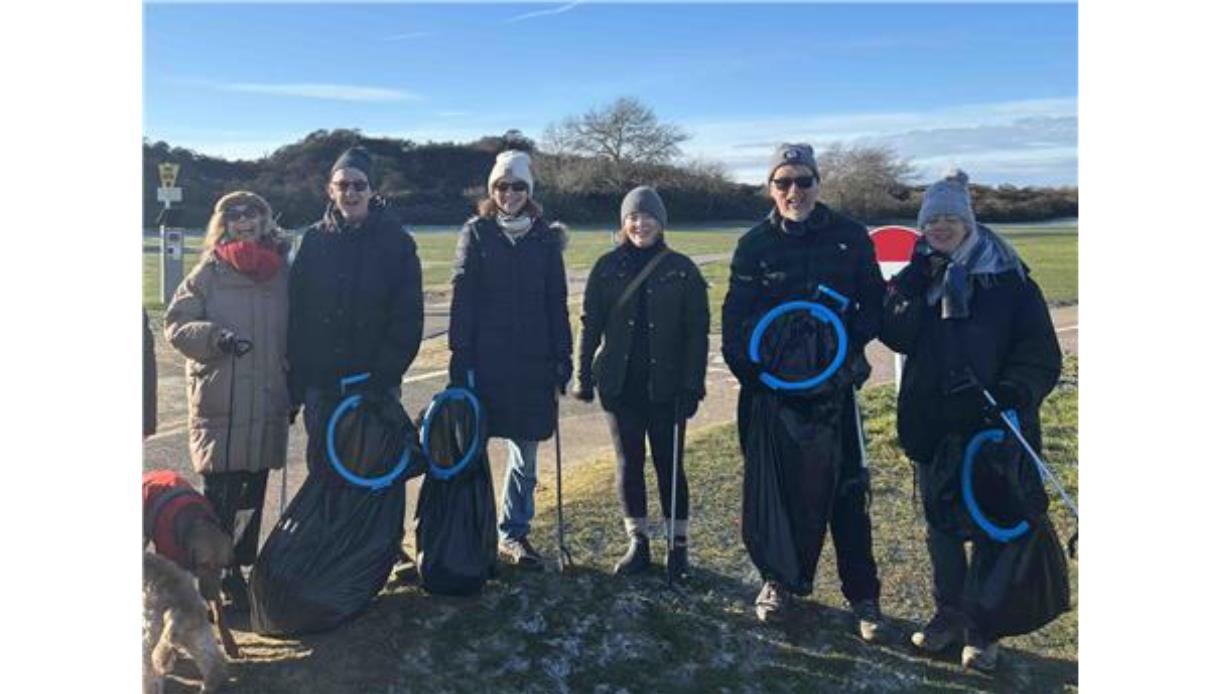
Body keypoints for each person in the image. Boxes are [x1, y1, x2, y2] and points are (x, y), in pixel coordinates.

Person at [879, 170, 1062, 672]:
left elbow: (1040, 354)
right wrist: (910, 286)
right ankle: (949, 612)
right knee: (940, 527)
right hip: (933, 422)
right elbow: (894, 335)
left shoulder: (1009, 277)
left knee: (989, 526)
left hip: (992, 424)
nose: (940, 227)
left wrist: (1011, 393)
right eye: (931, 219)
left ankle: (984, 628)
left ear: (968, 222)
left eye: (950, 218)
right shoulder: (920, 274)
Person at [721, 143, 886, 640]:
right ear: (771, 188)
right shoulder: (754, 244)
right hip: (774, 394)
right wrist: (755, 374)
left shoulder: (850, 237)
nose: (794, 191)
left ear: (818, 183)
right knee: (777, 491)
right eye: (783, 182)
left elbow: (872, 304)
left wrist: (843, 353)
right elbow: (734, 318)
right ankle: (779, 582)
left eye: (803, 181)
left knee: (846, 494)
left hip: (834, 392)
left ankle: (864, 598)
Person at [163, 191, 292, 610]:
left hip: (267, 395)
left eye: (252, 213)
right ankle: (211, 580)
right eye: (234, 215)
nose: (244, 221)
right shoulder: (209, 272)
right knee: (219, 493)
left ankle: (242, 570)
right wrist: (215, 338)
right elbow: (177, 324)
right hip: (222, 395)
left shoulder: (281, 272)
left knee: (254, 490)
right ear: (223, 223)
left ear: (264, 219)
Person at [575, 187, 709, 577]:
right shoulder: (606, 267)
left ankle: (677, 544)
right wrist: (584, 376)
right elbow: (590, 325)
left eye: (648, 216)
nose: (640, 223)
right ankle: (639, 541)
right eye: (633, 217)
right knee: (628, 462)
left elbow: (696, 333)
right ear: (623, 222)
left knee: (670, 465)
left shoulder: (682, 269)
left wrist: (692, 386)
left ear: (661, 222)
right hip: (619, 386)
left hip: (666, 388)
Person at [448, 150, 572, 569]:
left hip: (533, 360)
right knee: (473, 450)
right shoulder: (477, 233)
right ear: (492, 190)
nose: (510, 194)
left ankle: (513, 532)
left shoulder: (545, 238)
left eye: (518, 186)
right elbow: (463, 297)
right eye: (502, 186)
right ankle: (473, 531)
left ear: (529, 191)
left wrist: (563, 355)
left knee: (526, 455)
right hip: (485, 360)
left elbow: (557, 300)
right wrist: (459, 355)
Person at [288, 146, 424, 474]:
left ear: (372, 190)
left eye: (359, 185)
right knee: (324, 476)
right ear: (330, 190)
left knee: (372, 473)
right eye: (343, 185)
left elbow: (407, 317)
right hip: (322, 384)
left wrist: (384, 374)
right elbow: (297, 313)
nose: (350, 192)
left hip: (375, 384)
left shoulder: (398, 243)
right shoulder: (314, 241)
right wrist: (296, 378)